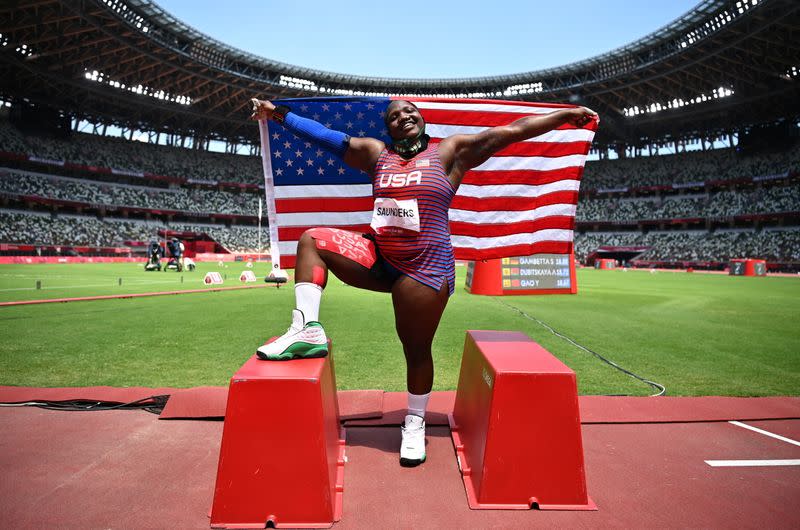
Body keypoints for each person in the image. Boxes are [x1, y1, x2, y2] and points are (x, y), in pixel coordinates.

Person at [249, 97, 597, 467]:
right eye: (394, 116)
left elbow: (511, 132)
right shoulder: (375, 154)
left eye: (409, 111)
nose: (403, 117)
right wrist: (278, 115)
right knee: (311, 241)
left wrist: (564, 115)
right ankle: (306, 329)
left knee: (415, 350)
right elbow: (325, 136)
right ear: (388, 128)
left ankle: (414, 422)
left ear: (421, 118)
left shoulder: (450, 152)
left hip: (424, 269)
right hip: (379, 257)